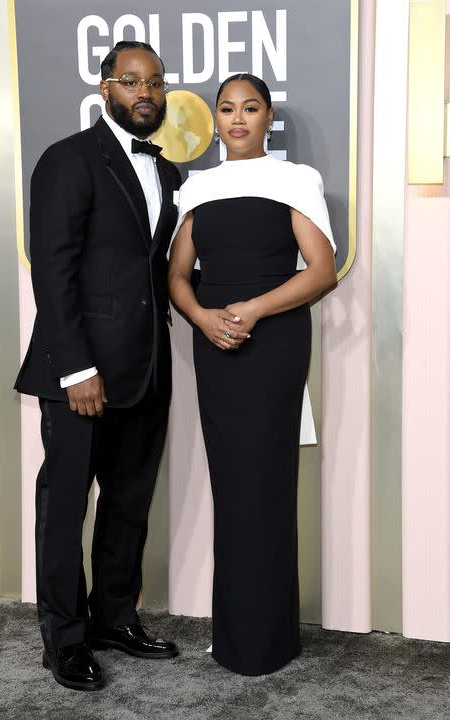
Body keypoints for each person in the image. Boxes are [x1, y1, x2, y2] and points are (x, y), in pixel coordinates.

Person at [14, 41, 181, 691]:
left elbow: (159, 271)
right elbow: (53, 273)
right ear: (105, 87)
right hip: (80, 372)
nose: (147, 92)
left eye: (157, 83)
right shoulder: (68, 160)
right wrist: (75, 368)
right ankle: (63, 638)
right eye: (133, 81)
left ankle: (114, 617)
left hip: (146, 367)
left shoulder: (167, 172)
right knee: (65, 508)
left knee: (128, 504)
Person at [168, 73, 337, 676]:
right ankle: (236, 635)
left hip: (273, 344)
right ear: (213, 120)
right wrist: (203, 319)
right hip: (216, 346)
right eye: (227, 109)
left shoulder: (295, 180)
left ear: (268, 119)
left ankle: (269, 639)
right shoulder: (198, 187)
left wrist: (253, 309)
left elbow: (322, 270)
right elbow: (178, 276)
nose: (238, 119)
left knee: (267, 484)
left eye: (251, 108)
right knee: (231, 486)